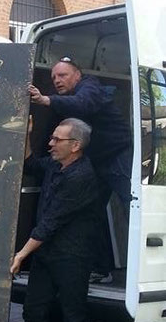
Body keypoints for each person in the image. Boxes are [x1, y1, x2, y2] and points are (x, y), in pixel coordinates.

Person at [11, 117, 102, 322]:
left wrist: (21, 254)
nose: (50, 143)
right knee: (34, 313)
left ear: (75, 146)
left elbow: (50, 223)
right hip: (48, 255)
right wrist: (26, 135)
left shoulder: (81, 177)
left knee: (74, 319)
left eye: (56, 140)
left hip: (72, 258)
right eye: (51, 138)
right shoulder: (54, 165)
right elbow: (30, 165)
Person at [28, 56, 132, 281]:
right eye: (53, 76)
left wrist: (46, 100)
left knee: (133, 207)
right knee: (92, 214)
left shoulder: (89, 87)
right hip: (96, 159)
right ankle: (101, 269)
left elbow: (84, 104)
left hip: (116, 155)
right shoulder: (65, 102)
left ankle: (143, 268)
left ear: (78, 75)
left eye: (62, 75)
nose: (56, 79)